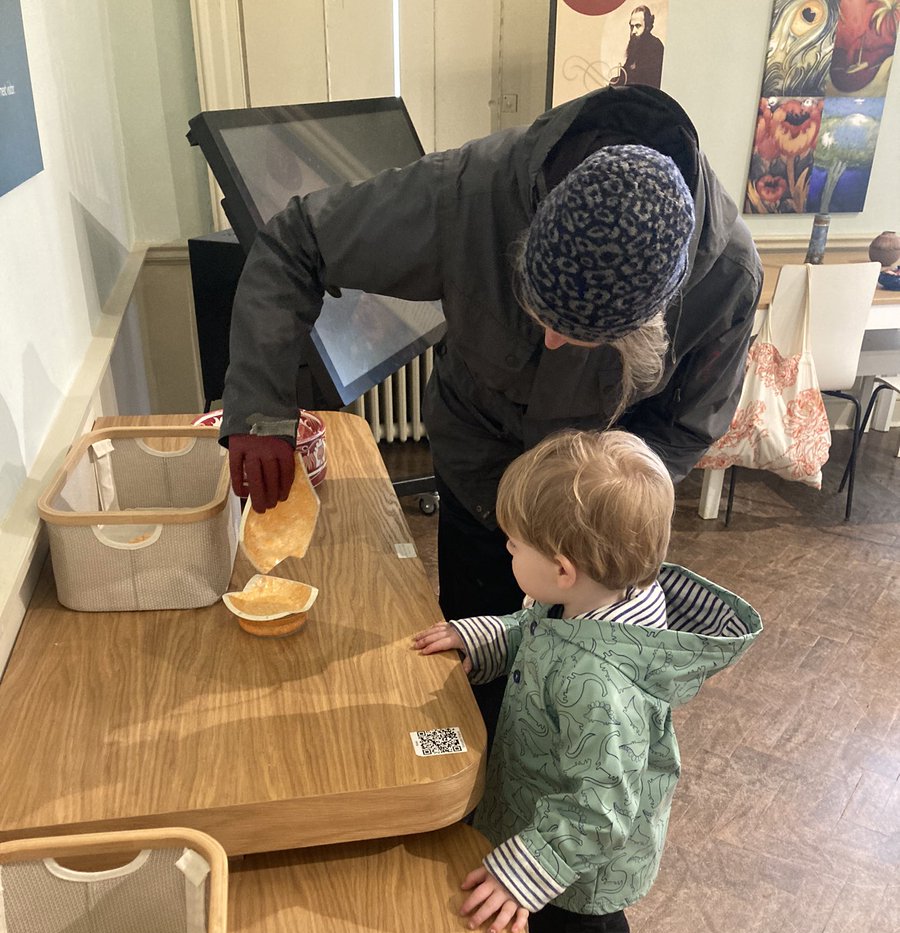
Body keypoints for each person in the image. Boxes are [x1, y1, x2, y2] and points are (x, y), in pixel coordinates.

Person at [220, 84, 762, 732]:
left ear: (650, 319)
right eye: (536, 315)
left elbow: (685, 424)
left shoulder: (728, 278)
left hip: (593, 514)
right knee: (477, 665)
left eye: (578, 335)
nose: (552, 342)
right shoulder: (467, 196)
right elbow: (293, 243)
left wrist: (609, 506)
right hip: (479, 470)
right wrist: (259, 408)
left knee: (574, 708)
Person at [412, 429, 762, 933]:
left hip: (575, 855)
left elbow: (602, 810)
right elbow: (532, 628)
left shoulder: (601, 684)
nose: (507, 549)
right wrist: (483, 636)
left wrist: (527, 871)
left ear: (564, 567)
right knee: (604, 929)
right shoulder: (597, 599)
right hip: (589, 855)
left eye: (515, 543)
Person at [615, 6, 666, 89]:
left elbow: (648, 81)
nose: (633, 31)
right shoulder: (635, 47)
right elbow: (625, 75)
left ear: (647, 26)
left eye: (638, 26)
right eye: (632, 26)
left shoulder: (655, 46)